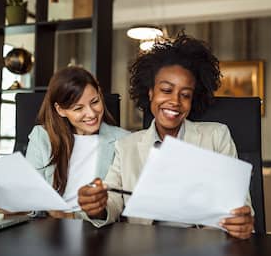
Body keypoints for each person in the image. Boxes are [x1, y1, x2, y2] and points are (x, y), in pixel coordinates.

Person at [78, 34, 255, 239]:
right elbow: (112, 201)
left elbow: (239, 205)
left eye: (185, 94)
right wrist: (96, 206)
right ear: (151, 92)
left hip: (203, 245)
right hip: (145, 246)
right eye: (166, 90)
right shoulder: (126, 146)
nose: (175, 101)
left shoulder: (216, 135)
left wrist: (242, 220)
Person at [0, 66, 129, 220]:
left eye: (94, 102)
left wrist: (69, 216)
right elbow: (31, 199)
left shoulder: (124, 141)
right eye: (78, 108)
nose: (91, 113)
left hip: (95, 230)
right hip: (50, 231)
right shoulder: (42, 137)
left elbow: (116, 205)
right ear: (60, 110)